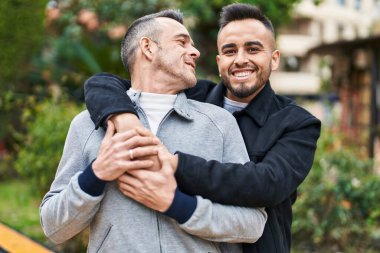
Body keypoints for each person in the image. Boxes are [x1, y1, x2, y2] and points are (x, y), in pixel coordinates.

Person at [84, 3, 321, 253]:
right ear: (219, 61)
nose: (241, 60)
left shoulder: (298, 123)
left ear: (273, 59)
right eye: (230, 51)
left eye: (253, 49)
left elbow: (267, 184)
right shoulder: (193, 96)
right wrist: (125, 120)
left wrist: (175, 165)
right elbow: (104, 84)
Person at [40, 9, 267, 253]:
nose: (196, 51)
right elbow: (54, 228)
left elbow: (253, 224)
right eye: (181, 42)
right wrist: (96, 174)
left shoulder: (219, 124)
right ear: (148, 47)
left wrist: (178, 205)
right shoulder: (86, 124)